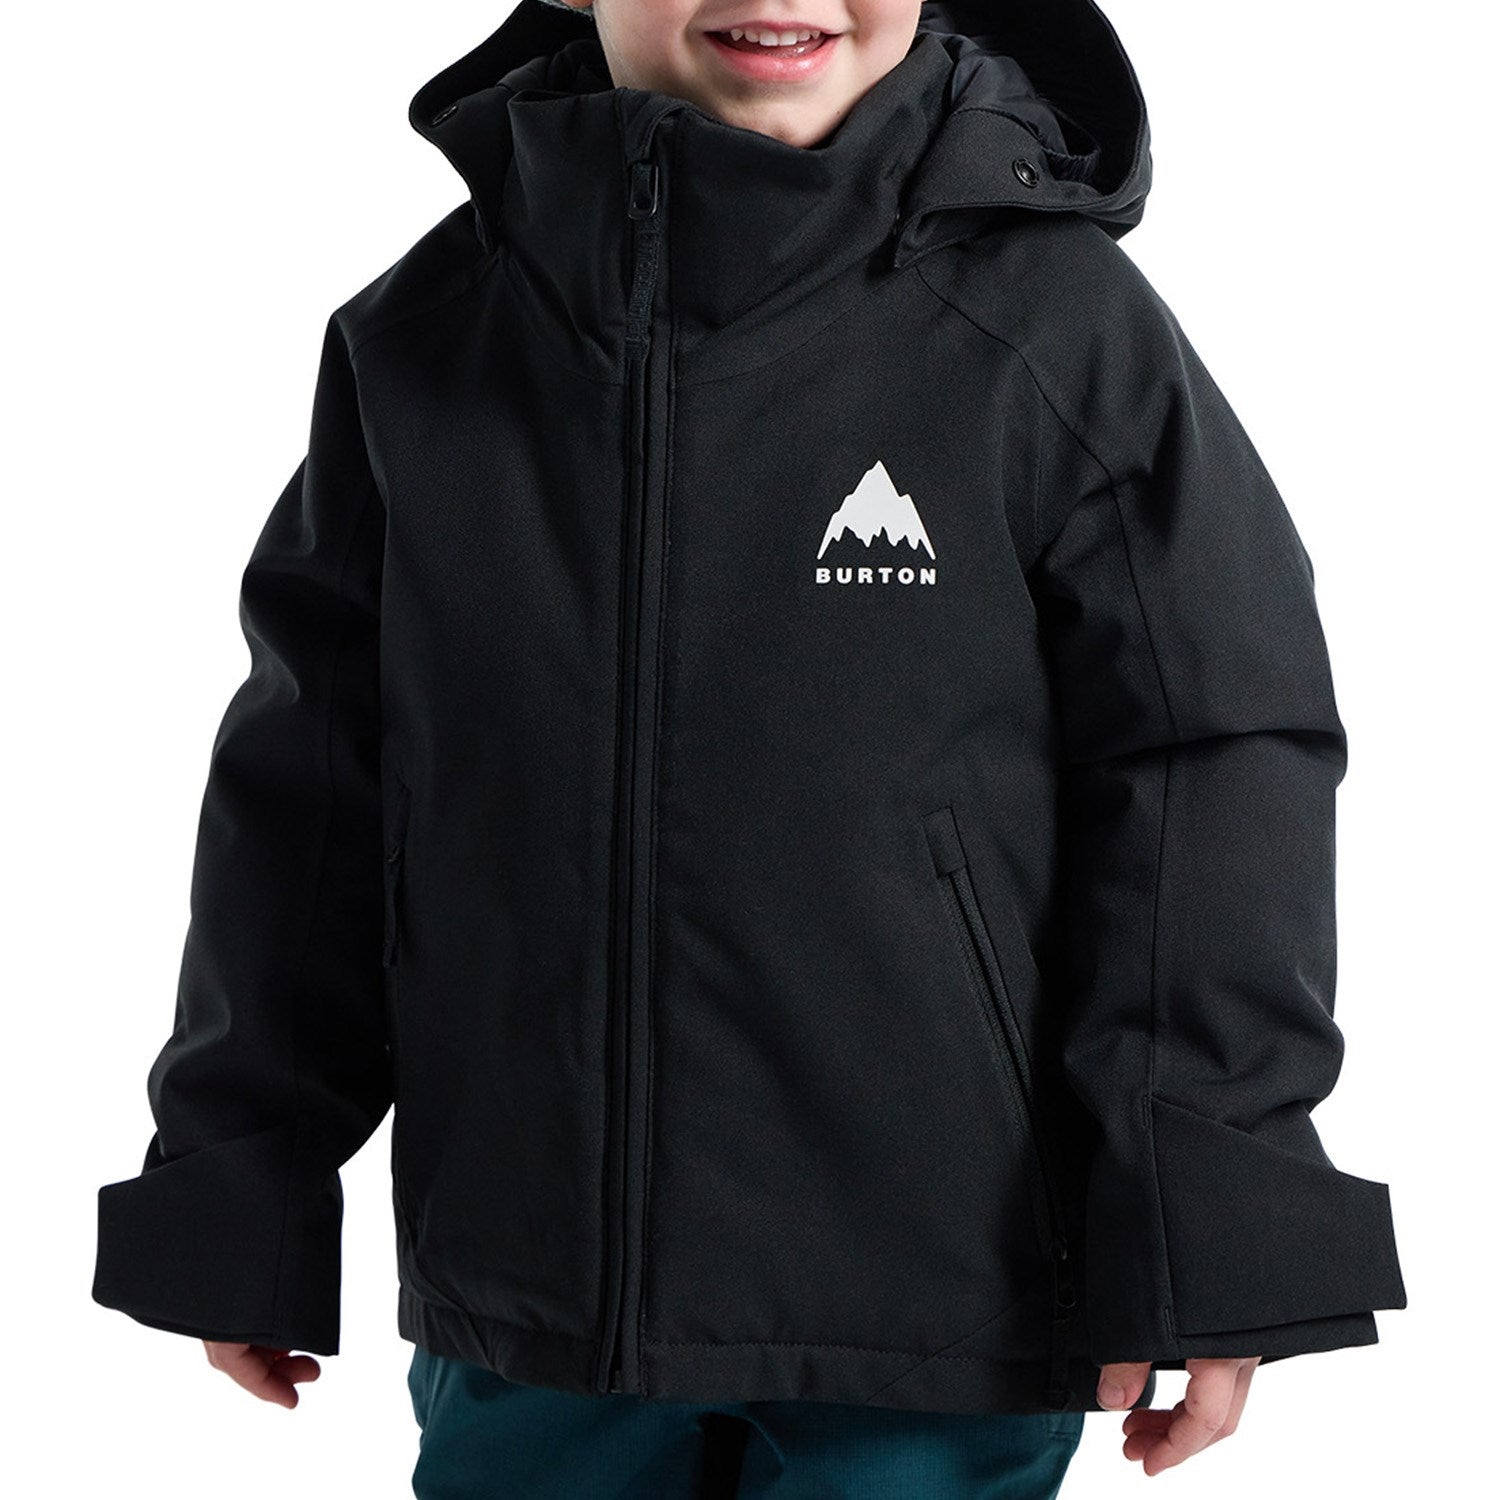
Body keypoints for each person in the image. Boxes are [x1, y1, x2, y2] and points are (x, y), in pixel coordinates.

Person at [91, 0, 1409, 1494]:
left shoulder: (1055, 334)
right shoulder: (426, 344)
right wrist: (240, 1175)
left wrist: (1209, 1214)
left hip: (934, 1318)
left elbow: (1211, 762)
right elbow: (309, 795)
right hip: (533, 1305)